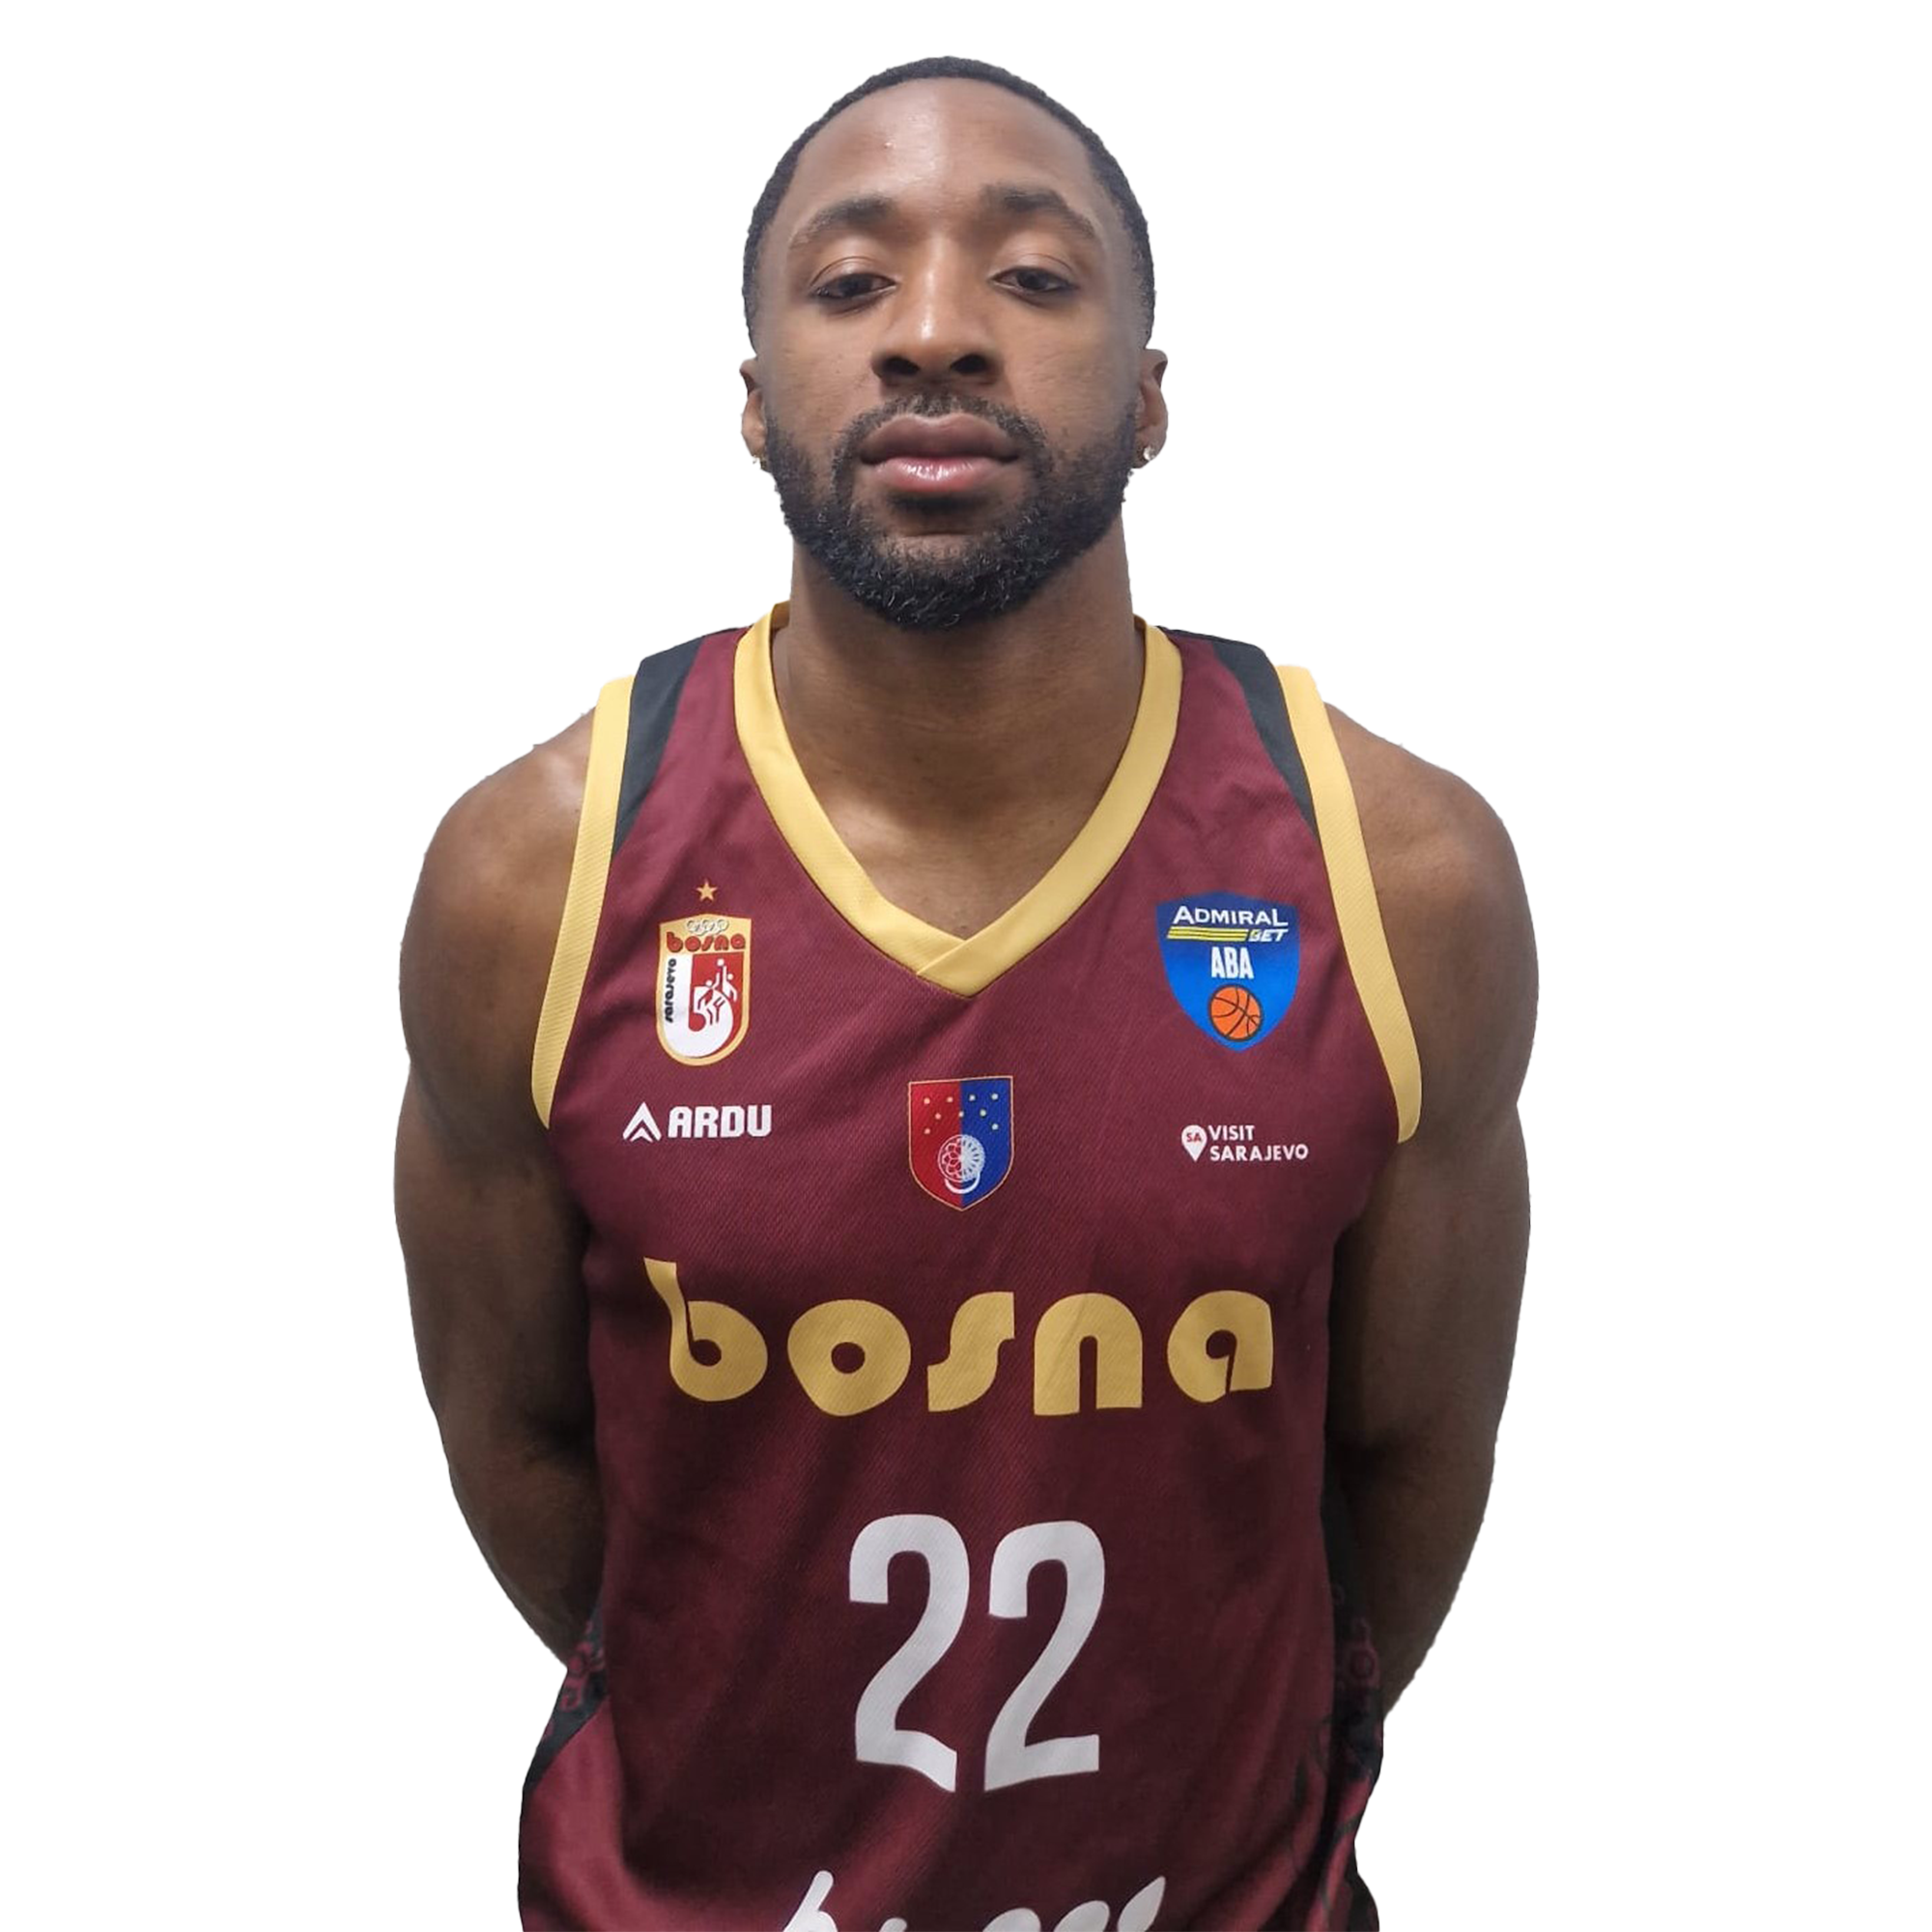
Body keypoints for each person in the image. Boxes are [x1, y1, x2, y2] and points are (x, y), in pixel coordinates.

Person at [392, 51, 1537, 1932]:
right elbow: (513, 1444)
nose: (934, 331)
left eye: (1032, 275)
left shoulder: (1397, 877)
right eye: (853, 282)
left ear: (1150, 395)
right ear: (753, 401)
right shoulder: (533, 881)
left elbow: (1411, 1459)